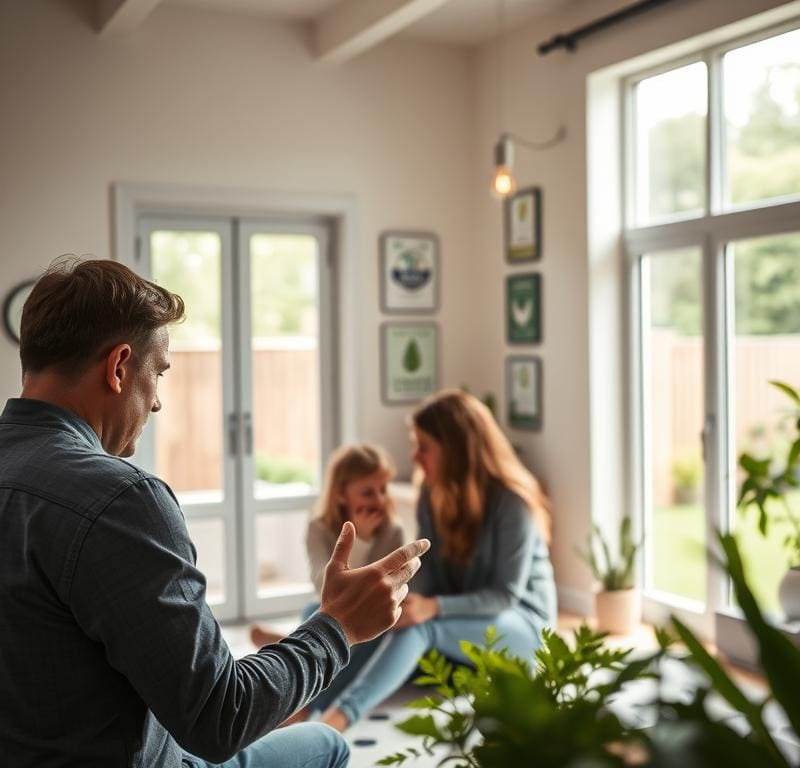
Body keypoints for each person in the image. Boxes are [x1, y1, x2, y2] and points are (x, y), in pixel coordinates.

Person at [0, 257, 430, 768]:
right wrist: (338, 626)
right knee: (327, 744)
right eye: (159, 373)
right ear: (118, 368)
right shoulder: (120, 500)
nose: (156, 403)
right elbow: (221, 718)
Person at [319, 389, 557, 732]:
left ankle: (336, 721)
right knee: (385, 619)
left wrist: (431, 608)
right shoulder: (431, 496)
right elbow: (428, 574)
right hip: (463, 624)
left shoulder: (511, 504)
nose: (414, 456)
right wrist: (401, 604)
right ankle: (308, 703)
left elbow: (504, 596)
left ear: (455, 450)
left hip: (523, 628)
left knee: (421, 626)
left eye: (424, 446)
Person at [249, 444, 405, 718]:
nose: (379, 499)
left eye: (383, 489)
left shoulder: (393, 531)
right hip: (327, 607)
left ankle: (307, 699)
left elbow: (387, 589)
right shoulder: (319, 528)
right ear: (341, 493)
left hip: (372, 620)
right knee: (314, 614)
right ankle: (298, 655)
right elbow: (324, 585)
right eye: (368, 492)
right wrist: (359, 541)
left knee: (372, 636)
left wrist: (368, 539)